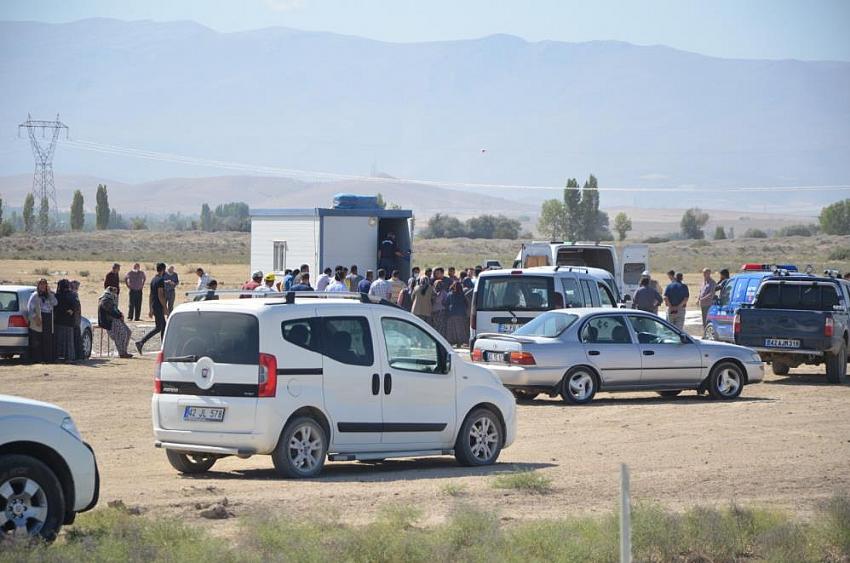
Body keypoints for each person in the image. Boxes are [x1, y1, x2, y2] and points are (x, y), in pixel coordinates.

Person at [136, 263, 168, 355]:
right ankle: (141, 342)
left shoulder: (154, 280)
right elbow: (160, 294)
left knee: (163, 327)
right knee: (159, 327)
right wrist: (165, 307)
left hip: (154, 305)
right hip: (159, 306)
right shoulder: (161, 280)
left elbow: (151, 295)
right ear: (163, 270)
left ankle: (163, 347)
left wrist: (150, 308)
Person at [27, 278, 57, 363]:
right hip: (39, 318)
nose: (43, 286)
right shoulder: (34, 295)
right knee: (38, 340)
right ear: (38, 285)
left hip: (48, 318)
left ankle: (48, 359)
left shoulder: (49, 295)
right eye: (41, 284)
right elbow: (30, 309)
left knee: (47, 340)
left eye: (44, 284)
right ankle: (39, 360)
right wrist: (36, 318)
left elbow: (55, 303)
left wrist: (50, 293)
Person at [98, 286, 133, 358]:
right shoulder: (105, 299)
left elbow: (115, 309)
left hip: (114, 319)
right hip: (109, 321)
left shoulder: (110, 299)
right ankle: (122, 353)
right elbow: (111, 311)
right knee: (121, 334)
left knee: (128, 332)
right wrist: (119, 316)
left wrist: (120, 314)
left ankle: (124, 351)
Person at [54, 280, 77, 363]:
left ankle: (59, 357)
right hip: (69, 321)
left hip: (59, 321)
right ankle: (69, 358)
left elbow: (56, 307)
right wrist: (69, 311)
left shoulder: (57, 296)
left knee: (60, 340)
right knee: (69, 341)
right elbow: (74, 307)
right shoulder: (72, 295)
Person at [445, 281, 470, 347]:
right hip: (461, 314)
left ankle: (451, 342)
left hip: (451, 313)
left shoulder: (450, 294)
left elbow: (445, 303)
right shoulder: (462, 295)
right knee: (460, 329)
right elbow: (467, 304)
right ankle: (460, 342)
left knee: (451, 329)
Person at [69, 280, 83, 359]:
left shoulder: (74, 294)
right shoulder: (73, 295)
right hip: (74, 321)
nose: (77, 288)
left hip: (76, 320)